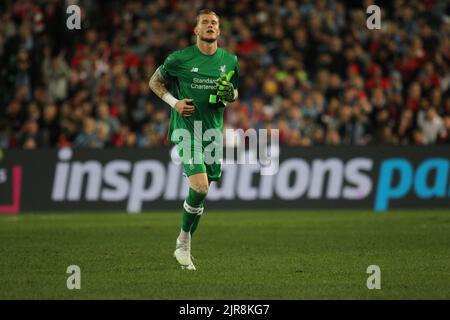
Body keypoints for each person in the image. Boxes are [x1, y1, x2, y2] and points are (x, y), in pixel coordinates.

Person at [149, 9, 239, 270]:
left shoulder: (230, 60)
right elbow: (154, 82)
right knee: (200, 187)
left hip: (212, 133)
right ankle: (184, 245)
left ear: (219, 31)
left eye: (214, 23)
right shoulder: (180, 59)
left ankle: (183, 240)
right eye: (205, 23)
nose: (210, 25)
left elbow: (233, 94)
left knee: (202, 193)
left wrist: (231, 93)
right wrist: (174, 102)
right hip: (187, 130)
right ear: (196, 30)